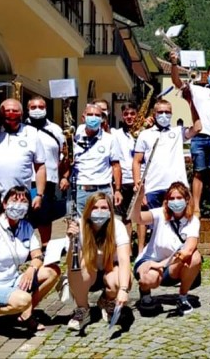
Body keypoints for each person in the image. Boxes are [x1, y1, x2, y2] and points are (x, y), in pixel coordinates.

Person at [0, 186, 60, 334]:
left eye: (23, 201)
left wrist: (31, 269)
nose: (18, 205)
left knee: (52, 271)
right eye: (14, 200)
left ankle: (24, 312)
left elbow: (37, 256)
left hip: (13, 280)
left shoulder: (26, 227)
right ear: (4, 204)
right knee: (24, 299)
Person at [133, 99, 201, 255]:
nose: (164, 115)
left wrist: (191, 101)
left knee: (182, 222)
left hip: (177, 188)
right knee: (157, 226)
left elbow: (197, 127)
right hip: (153, 187)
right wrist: (139, 186)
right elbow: (137, 161)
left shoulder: (177, 132)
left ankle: (183, 254)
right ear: (154, 114)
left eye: (167, 112)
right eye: (160, 112)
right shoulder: (145, 135)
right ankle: (155, 255)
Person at [170, 51, 210, 216]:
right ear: (207, 75)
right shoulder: (197, 90)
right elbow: (177, 82)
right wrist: (174, 64)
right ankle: (196, 207)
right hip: (199, 136)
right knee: (198, 172)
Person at [0, 99, 46, 235]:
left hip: (20, 196)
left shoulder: (32, 133)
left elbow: (40, 166)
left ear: (22, 113)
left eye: (15, 110)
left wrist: (39, 194)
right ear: (0, 113)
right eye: (7, 110)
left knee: (18, 233)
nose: (11, 113)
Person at [132, 182, 202, 316]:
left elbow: (188, 250)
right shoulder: (160, 213)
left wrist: (159, 265)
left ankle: (182, 297)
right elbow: (137, 218)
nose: (175, 201)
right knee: (147, 279)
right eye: (172, 198)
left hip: (170, 265)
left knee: (195, 256)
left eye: (179, 198)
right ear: (167, 201)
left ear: (187, 200)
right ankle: (145, 293)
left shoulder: (193, 221)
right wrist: (139, 197)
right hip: (150, 259)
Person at [65, 193, 131, 332]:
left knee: (121, 279)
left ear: (110, 211)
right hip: (88, 273)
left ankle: (107, 300)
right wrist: (72, 242)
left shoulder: (117, 226)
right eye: (95, 208)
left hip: (109, 270)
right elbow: (70, 263)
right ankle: (83, 309)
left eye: (104, 207)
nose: (99, 211)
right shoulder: (79, 225)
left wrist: (124, 289)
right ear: (88, 211)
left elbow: (125, 259)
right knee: (77, 268)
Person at [25, 96, 65, 248]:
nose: (37, 110)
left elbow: (64, 154)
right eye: (33, 107)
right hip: (25, 178)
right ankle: (25, 246)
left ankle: (45, 246)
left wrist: (64, 176)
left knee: (44, 215)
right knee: (23, 213)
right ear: (28, 109)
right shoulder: (22, 128)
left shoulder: (56, 129)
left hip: (48, 178)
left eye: (41, 107)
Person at [70, 103, 122, 214]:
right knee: (82, 225)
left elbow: (116, 166)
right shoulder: (74, 138)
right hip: (82, 190)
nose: (93, 118)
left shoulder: (110, 139)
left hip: (103, 189)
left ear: (102, 119)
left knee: (104, 224)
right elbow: (69, 162)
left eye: (97, 115)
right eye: (90, 114)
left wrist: (117, 190)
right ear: (83, 118)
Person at [110, 103, 139, 232]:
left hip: (140, 180)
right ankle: (127, 248)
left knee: (141, 217)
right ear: (122, 116)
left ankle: (140, 249)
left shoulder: (144, 133)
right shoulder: (115, 133)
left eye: (132, 114)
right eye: (126, 114)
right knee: (125, 217)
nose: (129, 117)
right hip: (123, 180)